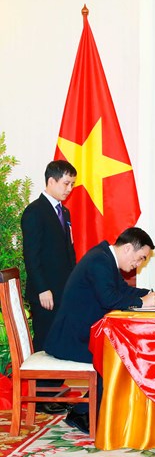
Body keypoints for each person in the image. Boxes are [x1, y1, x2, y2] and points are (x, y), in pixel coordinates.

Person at [44, 227, 155, 433]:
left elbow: (121, 290)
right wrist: (142, 302)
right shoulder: (99, 261)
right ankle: (82, 413)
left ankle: (94, 409)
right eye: (140, 258)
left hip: (81, 334)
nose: (138, 264)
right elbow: (109, 299)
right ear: (128, 248)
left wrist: (150, 294)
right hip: (70, 340)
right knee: (116, 355)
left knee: (122, 351)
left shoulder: (104, 258)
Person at [20, 160, 77, 415]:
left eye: (72, 184)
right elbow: (31, 256)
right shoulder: (35, 211)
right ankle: (42, 396)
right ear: (51, 181)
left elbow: (68, 252)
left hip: (63, 289)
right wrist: (43, 288)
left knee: (58, 338)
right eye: (66, 183)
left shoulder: (65, 212)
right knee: (45, 338)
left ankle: (54, 390)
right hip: (45, 292)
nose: (69, 189)